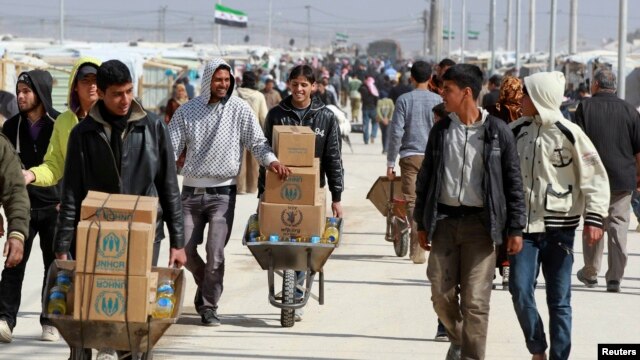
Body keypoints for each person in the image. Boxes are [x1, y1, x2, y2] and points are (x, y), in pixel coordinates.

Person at [414, 64, 526, 359]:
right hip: (444, 224)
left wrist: (515, 228)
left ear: (466, 93)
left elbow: (513, 181)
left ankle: (471, 355)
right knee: (441, 294)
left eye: (447, 89)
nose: (441, 94)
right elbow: (426, 177)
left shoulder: (497, 132)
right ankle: (460, 338)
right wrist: (420, 222)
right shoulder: (441, 130)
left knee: (476, 302)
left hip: (481, 227)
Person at [169, 59, 289, 326]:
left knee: (216, 253)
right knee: (184, 250)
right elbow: (169, 149)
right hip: (190, 193)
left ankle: (209, 305)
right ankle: (205, 283)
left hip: (223, 194)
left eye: (227, 80)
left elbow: (257, 142)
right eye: (218, 79)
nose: (223, 85)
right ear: (207, 80)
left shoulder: (239, 110)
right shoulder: (187, 112)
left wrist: (272, 161)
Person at [509, 71, 610, 360]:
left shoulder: (571, 133)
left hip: (559, 230)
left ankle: (560, 356)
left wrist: (594, 218)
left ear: (540, 96)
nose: (521, 99)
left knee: (559, 301)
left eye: (526, 94)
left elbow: (595, 177)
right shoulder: (516, 131)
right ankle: (537, 348)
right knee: (519, 290)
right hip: (523, 229)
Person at [54, 59, 187, 271]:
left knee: (138, 298)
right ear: (101, 93)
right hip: (99, 232)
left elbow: (169, 188)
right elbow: (71, 192)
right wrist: (62, 245)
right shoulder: (82, 134)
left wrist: (178, 243)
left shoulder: (154, 128)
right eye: (117, 94)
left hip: (146, 230)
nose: (125, 100)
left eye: (129, 91)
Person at [259, 64, 344, 322]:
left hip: (313, 191)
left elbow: (333, 157)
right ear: (288, 84)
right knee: (282, 239)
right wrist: (263, 194)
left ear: (314, 87)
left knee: (306, 243)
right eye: (295, 84)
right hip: (278, 189)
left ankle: (296, 289)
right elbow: (264, 152)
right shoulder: (276, 114)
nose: (299, 89)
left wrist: (337, 196)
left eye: (304, 85)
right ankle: (291, 287)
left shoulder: (325, 117)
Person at [0, 70, 57, 344]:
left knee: (55, 266)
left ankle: (50, 320)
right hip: (21, 210)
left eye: (27, 91)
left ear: (41, 92)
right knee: (13, 262)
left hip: (55, 207)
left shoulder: (60, 123)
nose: (20, 96)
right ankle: (5, 319)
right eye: (18, 90)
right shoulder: (10, 128)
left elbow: (71, 167)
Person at [574, 69, 640, 293]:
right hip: (623, 179)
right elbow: (639, 149)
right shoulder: (630, 110)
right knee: (618, 227)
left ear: (595, 85)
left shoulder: (585, 107)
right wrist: (638, 175)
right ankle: (614, 278)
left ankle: (591, 270)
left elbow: (577, 144)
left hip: (593, 178)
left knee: (594, 222)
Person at [386, 61, 441, 264]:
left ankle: (417, 248)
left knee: (412, 201)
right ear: (430, 78)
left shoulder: (404, 100)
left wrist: (391, 162)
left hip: (409, 157)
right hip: (433, 157)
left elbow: (396, 132)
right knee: (431, 199)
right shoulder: (438, 99)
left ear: (412, 78)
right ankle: (431, 243)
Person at [22, 58, 101, 187]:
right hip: (76, 200)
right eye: (85, 80)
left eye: (95, 80)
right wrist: (32, 174)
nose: (92, 85)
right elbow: (54, 164)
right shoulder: (63, 121)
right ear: (75, 86)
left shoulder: (111, 119)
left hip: (107, 199)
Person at [236, 71, 269, 194]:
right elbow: (264, 116)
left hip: (237, 131)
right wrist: (266, 132)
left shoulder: (235, 93)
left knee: (240, 160)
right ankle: (251, 187)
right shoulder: (259, 96)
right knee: (253, 161)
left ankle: (241, 187)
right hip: (254, 131)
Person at [359, 75, 379, 144]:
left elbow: (359, 89)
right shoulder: (374, 89)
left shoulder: (363, 88)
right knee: (375, 123)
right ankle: (373, 135)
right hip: (373, 108)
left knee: (365, 124)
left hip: (365, 108)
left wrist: (364, 83)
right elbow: (377, 100)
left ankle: (366, 139)